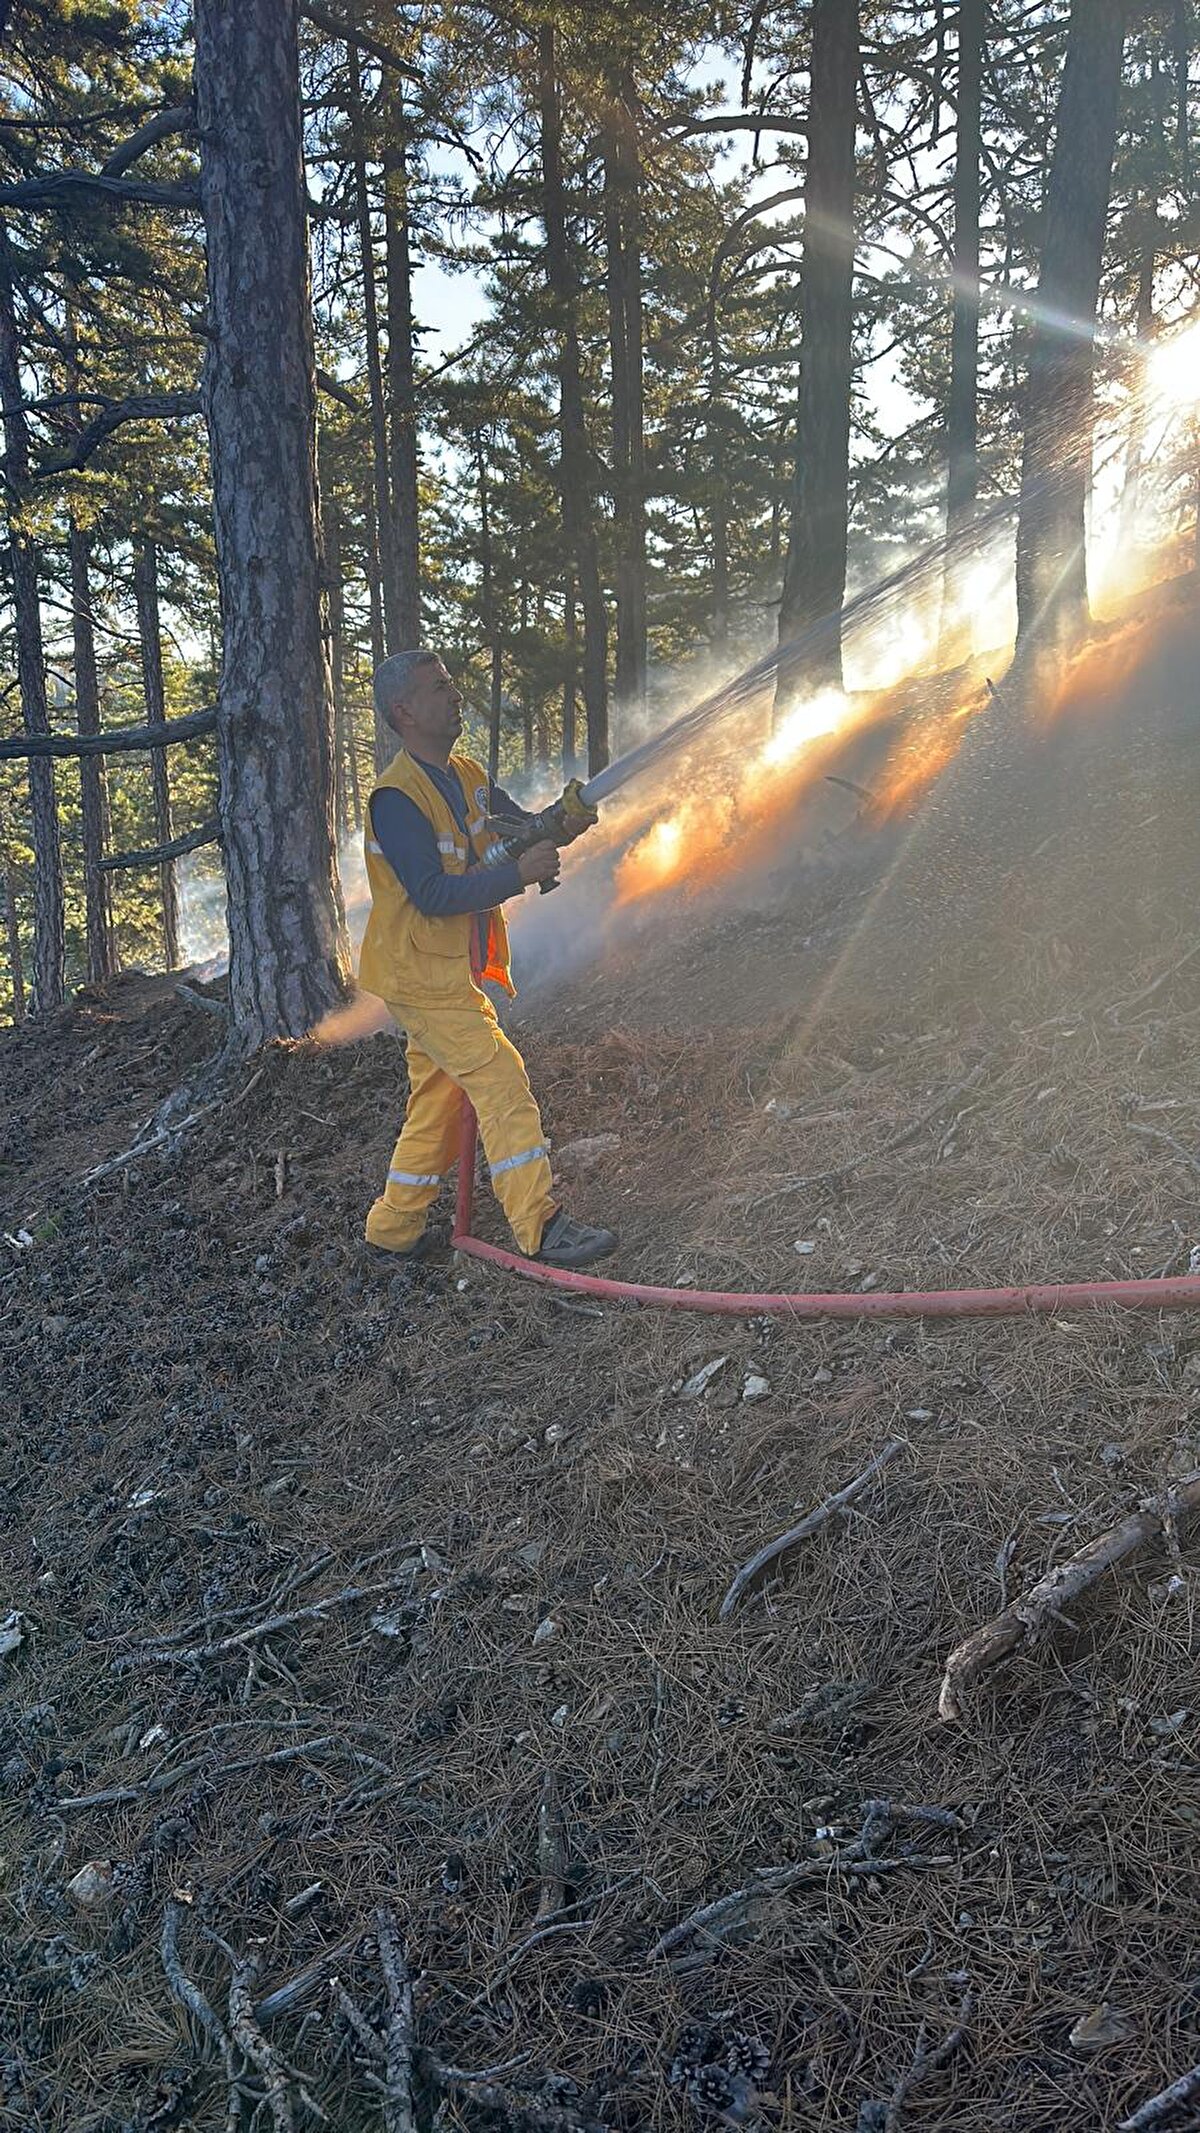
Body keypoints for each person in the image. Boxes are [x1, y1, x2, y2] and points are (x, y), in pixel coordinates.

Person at [358, 648, 618, 1270]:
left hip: (445, 970)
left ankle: (392, 1231)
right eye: (439, 689)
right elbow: (432, 893)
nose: (455, 697)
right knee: (501, 1080)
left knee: (439, 1101)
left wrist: (564, 819)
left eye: (452, 684)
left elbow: (519, 829)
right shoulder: (396, 799)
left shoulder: (467, 775)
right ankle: (541, 1225)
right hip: (421, 975)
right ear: (405, 711)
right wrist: (516, 877)